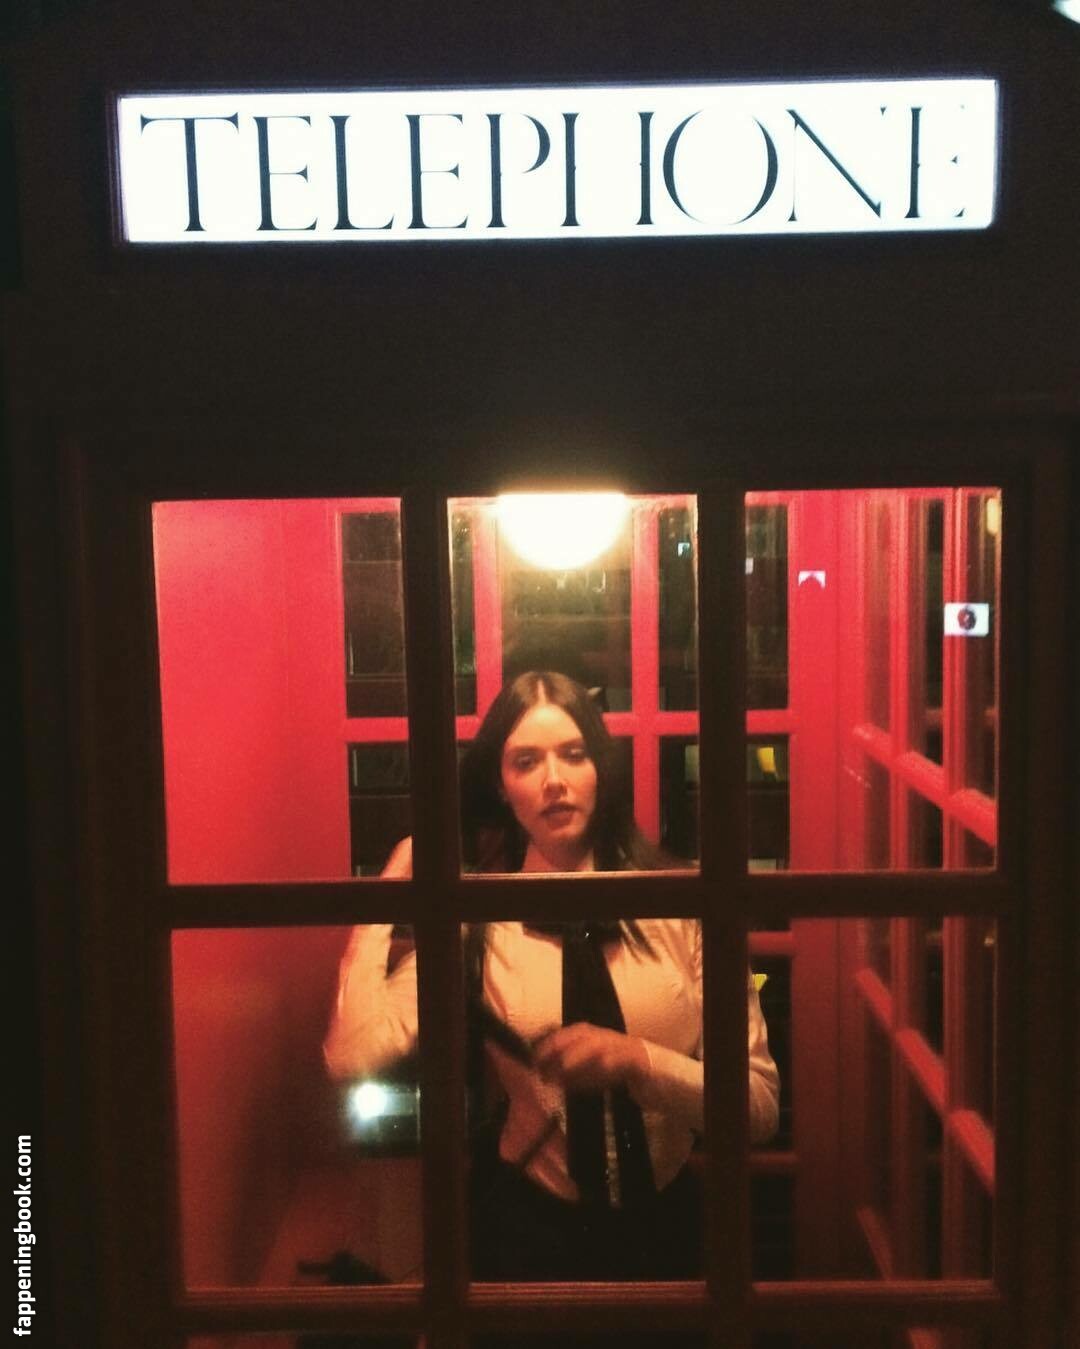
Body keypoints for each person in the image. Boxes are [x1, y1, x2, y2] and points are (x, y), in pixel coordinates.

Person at [324, 671, 779, 1296]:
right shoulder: (479, 926)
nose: (554, 780)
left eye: (573, 753)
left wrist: (640, 1061)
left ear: (601, 770)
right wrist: (389, 894)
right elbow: (352, 1053)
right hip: (525, 1230)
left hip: (668, 1227)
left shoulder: (683, 905)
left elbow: (759, 1108)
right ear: (500, 786)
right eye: (526, 761)